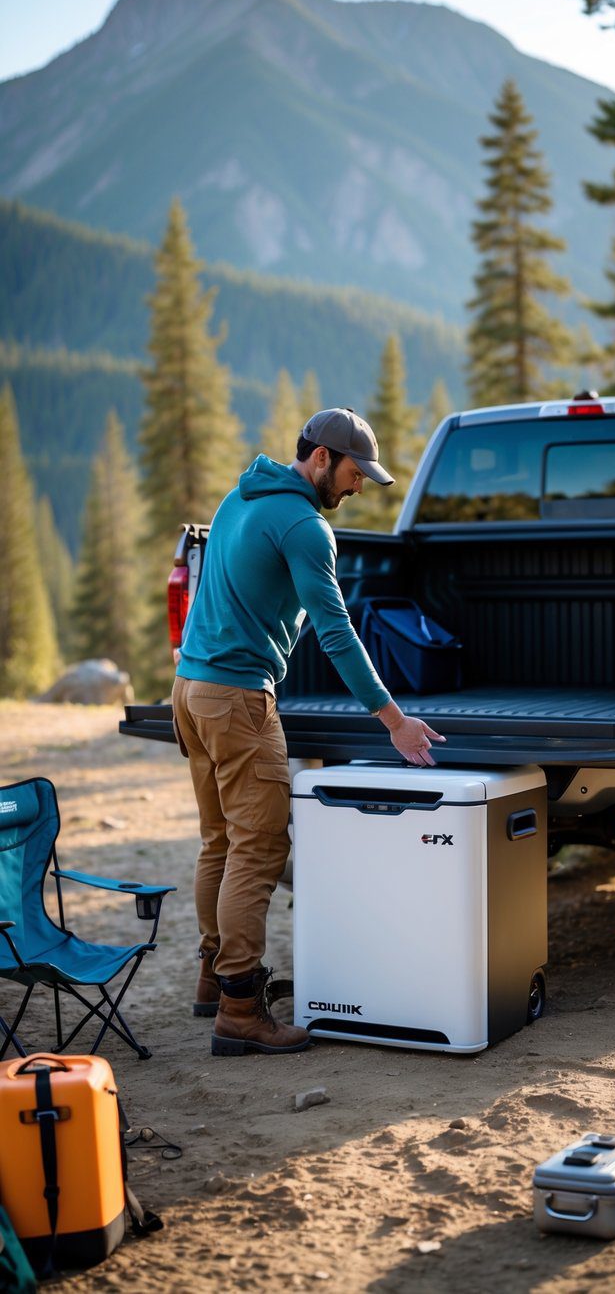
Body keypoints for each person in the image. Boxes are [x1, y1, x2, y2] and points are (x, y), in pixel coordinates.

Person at [172, 408, 445, 1057]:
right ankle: (241, 1009)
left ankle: (213, 978)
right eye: (354, 473)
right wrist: (394, 721)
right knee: (259, 847)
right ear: (321, 457)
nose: (357, 487)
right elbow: (336, 632)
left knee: (220, 839)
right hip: (238, 697)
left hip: (190, 687)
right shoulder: (305, 526)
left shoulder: (242, 496)